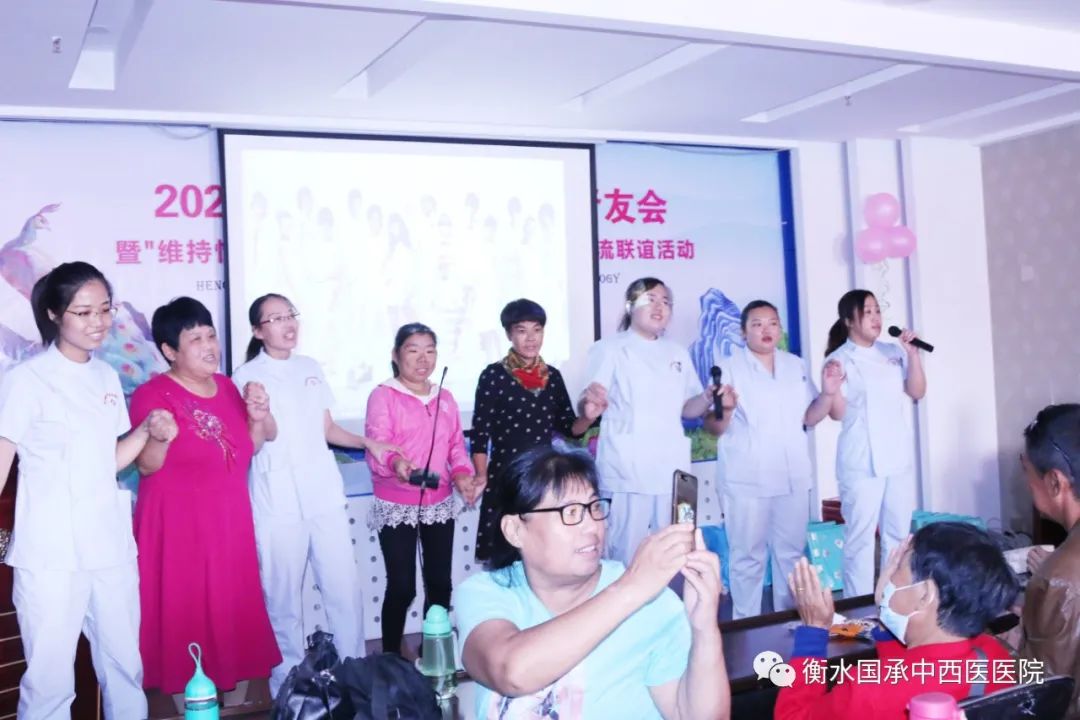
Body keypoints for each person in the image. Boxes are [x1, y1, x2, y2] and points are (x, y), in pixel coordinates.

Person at [0, 262, 170, 720]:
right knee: (50, 681)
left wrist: (145, 431)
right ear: (54, 314)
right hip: (50, 553)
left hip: (109, 546)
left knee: (124, 667)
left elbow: (107, 461)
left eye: (105, 309)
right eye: (84, 312)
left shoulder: (105, 376)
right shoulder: (25, 380)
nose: (98, 322)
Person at [457, 446, 729, 719]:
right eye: (570, 512)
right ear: (515, 530)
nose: (592, 526)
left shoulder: (652, 603)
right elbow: (511, 672)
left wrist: (704, 629)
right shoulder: (486, 593)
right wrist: (632, 587)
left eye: (594, 507)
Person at [232, 294, 396, 695]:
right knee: (283, 597)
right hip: (277, 501)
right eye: (275, 318)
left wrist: (368, 443)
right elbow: (253, 437)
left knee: (343, 588)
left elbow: (327, 429)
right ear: (257, 331)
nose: (287, 324)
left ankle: (353, 674)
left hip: (323, 495)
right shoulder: (246, 376)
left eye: (290, 315)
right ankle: (287, 684)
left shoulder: (310, 368)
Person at [130, 297, 281, 704]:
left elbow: (249, 448)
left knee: (233, 612)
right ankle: (193, 706)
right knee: (187, 618)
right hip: (180, 531)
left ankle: (233, 705)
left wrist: (257, 418)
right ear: (169, 350)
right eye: (194, 339)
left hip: (229, 524)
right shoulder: (152, 395)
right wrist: (159, 437)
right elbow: (145, 466)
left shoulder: (229, 388)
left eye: (211, 335)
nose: (209, 346)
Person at [775, 522, 1019, 719]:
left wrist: (813, 633)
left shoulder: (866, 690)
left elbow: (792, 716)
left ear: (924, 595)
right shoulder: (994, 657)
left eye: (899, 568)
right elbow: (912, 671)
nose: (889, 575)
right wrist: (887, 614)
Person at [705, 300, 842, 618]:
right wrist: (726, 409)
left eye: (772, 323)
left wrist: (828, 393)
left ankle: (787, 624)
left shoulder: (795, 365)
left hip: (792, 477)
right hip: (747, 479)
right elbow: (713, 426)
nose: (766, 330)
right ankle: (747, 625)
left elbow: (810, 417)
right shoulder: (728, 367)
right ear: (743, 332)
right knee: (747, 558)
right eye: (757, 324)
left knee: (791, 556)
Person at [580, 277, 714, 565]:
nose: (659, 307)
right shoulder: (610, 348)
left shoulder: (677, 352)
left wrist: (706, 397)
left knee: (674, 552)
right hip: (629, 470)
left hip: (672, 469)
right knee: (626, 555)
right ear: (630, 306)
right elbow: (589, 399)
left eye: (665, 302)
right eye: (650, 300)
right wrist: (589, 405)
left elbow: (688, 408)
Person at [364, 323, 476, 655]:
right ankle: (390, 658)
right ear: (396, 355)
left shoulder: (445, 397)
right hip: (396, 502)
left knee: (440, 584)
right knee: (402, 587)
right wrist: (396, 463)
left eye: (430, 350)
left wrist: (462, 474)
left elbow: (456, 446)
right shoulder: (383, 395)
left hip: (439, 502)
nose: (423, 359)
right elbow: (378, 443)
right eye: (413, 350)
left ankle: (434, 654)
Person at [471, 299, 605, 562]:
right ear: (509, 334)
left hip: (544, 478)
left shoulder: (552, 376)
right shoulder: (493, 375)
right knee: (506, 554)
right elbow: (479, 434)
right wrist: (481, 475)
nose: (531, 338)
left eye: (537, 330)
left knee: (543, 553)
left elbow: (570, 428)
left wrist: (588, 418)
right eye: (521, 331)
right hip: (506, 475)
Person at [824, 290, 927, 596]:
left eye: (877, 311)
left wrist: (913, 354)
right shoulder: (839, 359)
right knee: (861, 538)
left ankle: (893, 601)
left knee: (898, 535)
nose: (875, 318)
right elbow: (837, 413)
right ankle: (857, 607)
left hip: (897, 457)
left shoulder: (892, 352)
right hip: (861, 460)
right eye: (866, 312)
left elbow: (917, 391)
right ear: (849, 321)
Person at [1017, 403, 1080, 718]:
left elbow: (1039, 695)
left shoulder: (1056, 578)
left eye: (1027, 473)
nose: (1027, 485)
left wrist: (1015, 641)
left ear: (1055, 482)